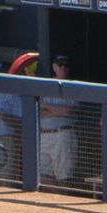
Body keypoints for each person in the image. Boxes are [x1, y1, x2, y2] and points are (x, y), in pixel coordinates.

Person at [36, 54, 75, 185]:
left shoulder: (73, 86)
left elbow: (67, 111)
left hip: (62, 134)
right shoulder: (45, 86)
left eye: (66, 65)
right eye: (60, 65)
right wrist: (57, 111)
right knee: (44, 177)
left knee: (64, 178)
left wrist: (46, 106)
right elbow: (38, 112)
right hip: (44, 135)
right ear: (54, 67)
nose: (63, 68)